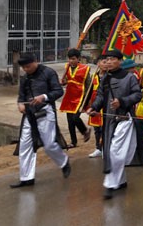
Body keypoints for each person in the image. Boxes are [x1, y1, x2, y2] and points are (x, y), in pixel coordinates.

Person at [86, 50, 143, 199]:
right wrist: (94, 107)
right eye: (107, 59)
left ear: (120, 60)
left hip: (124, 118)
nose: (109, 62)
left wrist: (122, 101)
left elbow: (138, 94)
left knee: (115, 152)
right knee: (110, 150)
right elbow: (99, 96)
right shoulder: (104, 78)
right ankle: (121, 180)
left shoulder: (130, 77)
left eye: (112, 59)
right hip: (109, 119)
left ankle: (110, 184)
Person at [11, 53, 71, 188]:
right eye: (23, 67)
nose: (26, 69)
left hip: (45, 111)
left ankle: (63, 161)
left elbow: (58, 91)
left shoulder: (48, 72)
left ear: (35, 61)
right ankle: (26, 178)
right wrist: (20, 104)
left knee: (49, 144)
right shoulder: (25, 77)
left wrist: (44, 97)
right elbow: (21, 95)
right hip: (29, 114)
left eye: (28, 66)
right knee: (25, 145)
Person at [59, 48, 92, 148]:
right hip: (69, 96)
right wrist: (63, 82)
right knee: (70, 121)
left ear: (78, 59)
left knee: (75, 118)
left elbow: (89, 86)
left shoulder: (85, 69)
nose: (71, 61)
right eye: (69, 59)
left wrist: (86, 101)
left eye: (73, 59)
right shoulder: (67, 68)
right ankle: (73, 142)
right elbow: (66, 81)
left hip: (80, 96)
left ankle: (85, 131)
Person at [85, 55, 108, 158]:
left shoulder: (110, 77)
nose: (106, 64)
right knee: (97, 129)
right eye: (104, 62)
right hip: (95, 106)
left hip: (106, 107)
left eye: (107, 62)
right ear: (98, 63)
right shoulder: (94, 76)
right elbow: (89, 92)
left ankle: (105, 148)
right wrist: (87, 105)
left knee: (105, 128)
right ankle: (98, 148)